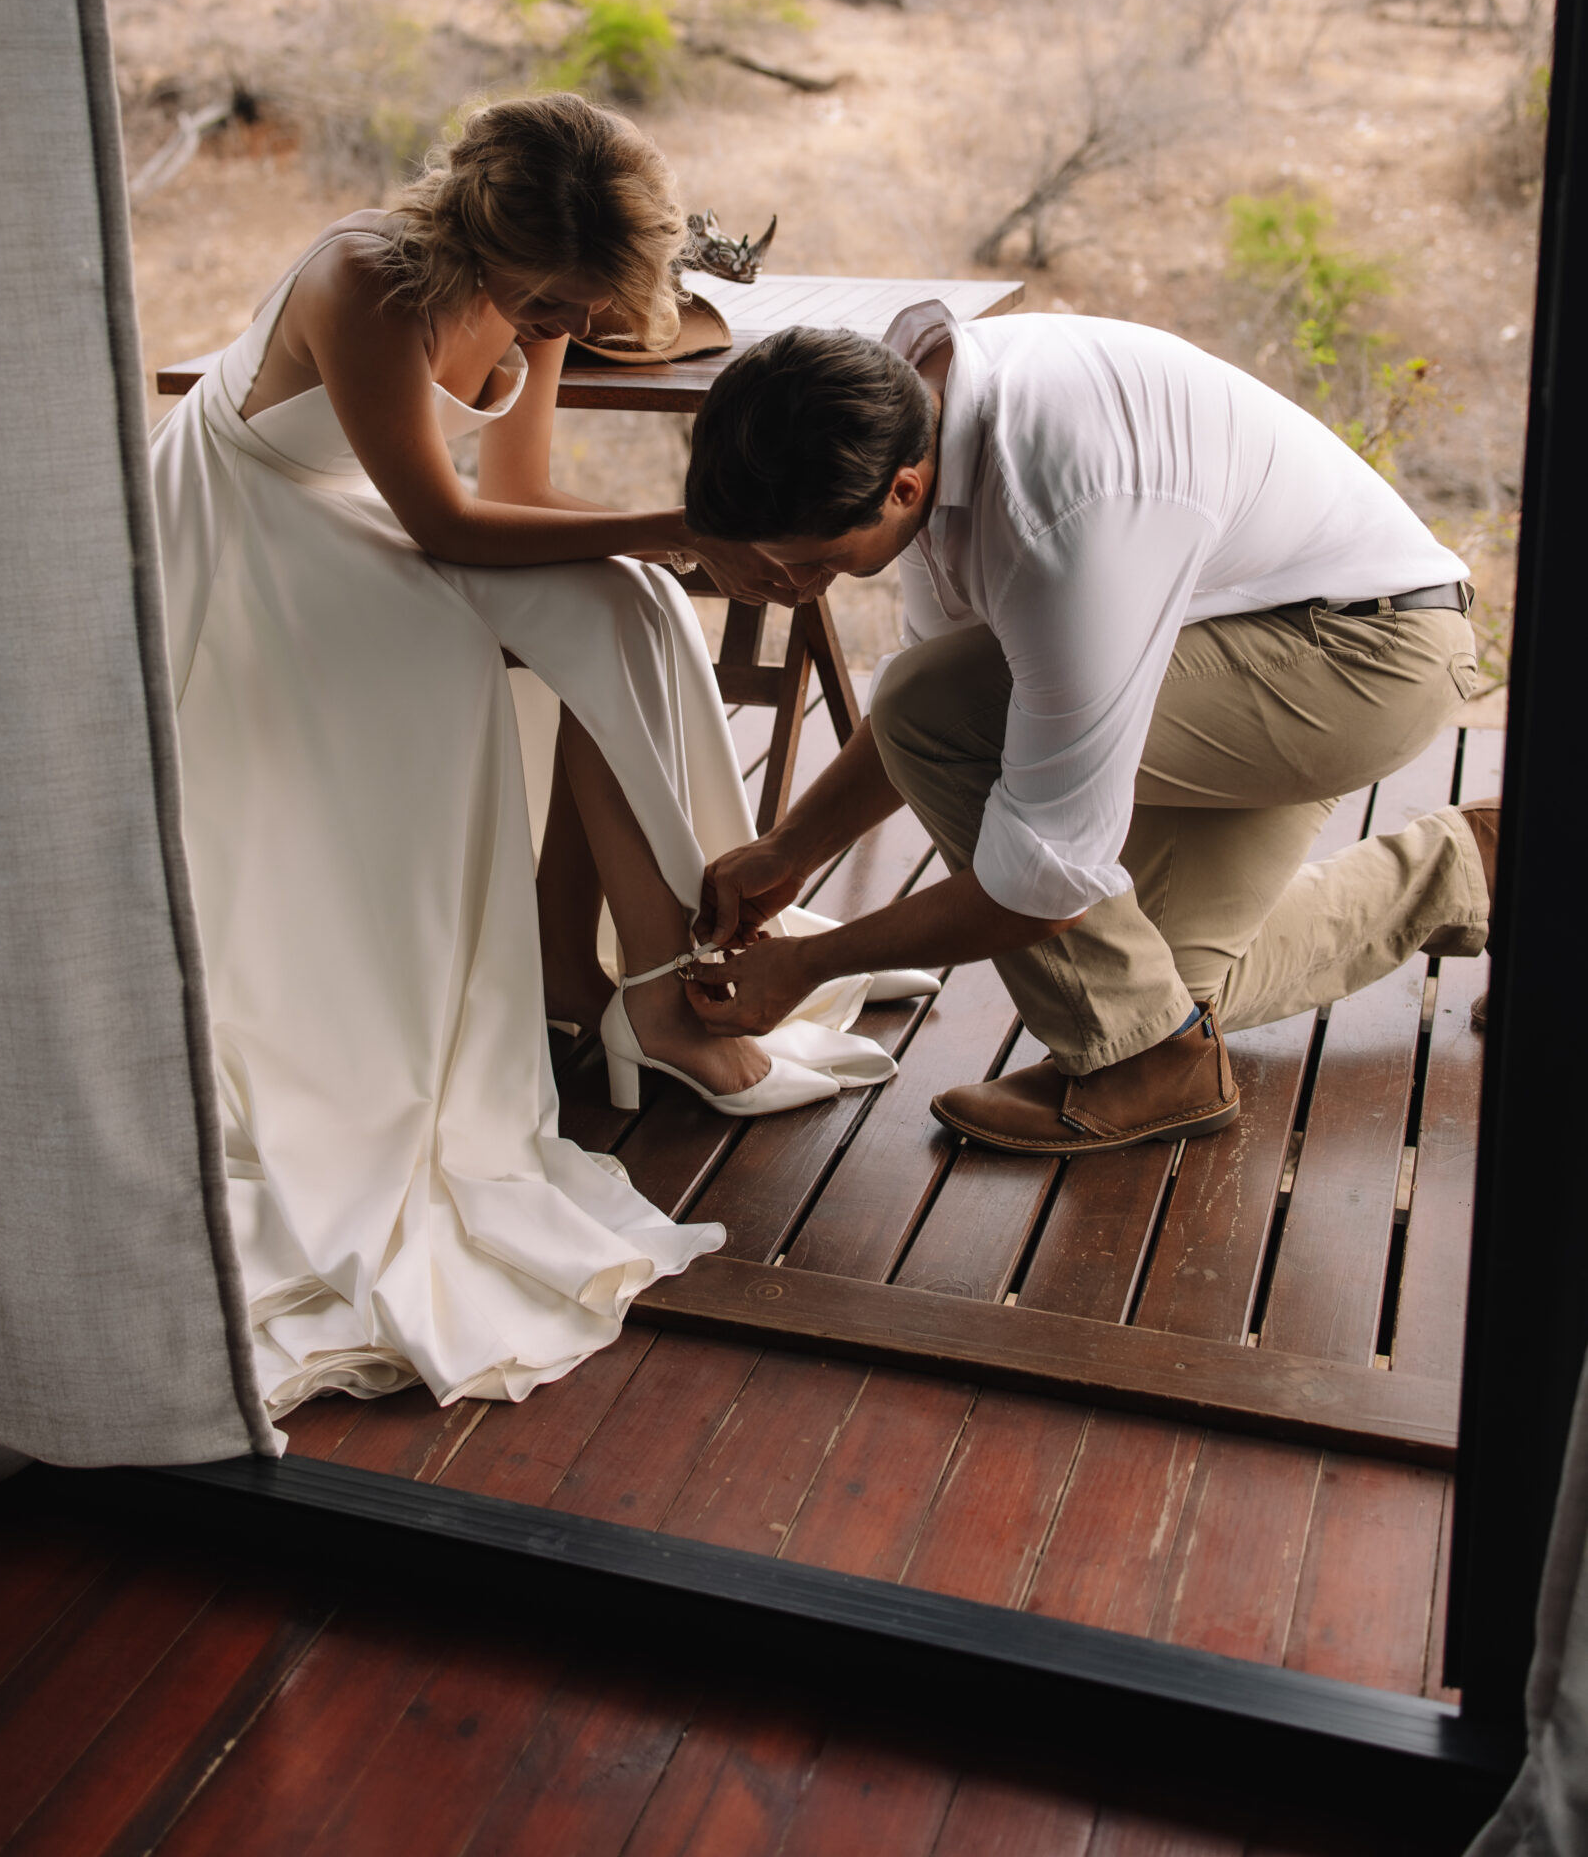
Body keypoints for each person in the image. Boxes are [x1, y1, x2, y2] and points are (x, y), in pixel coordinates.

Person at [151, 93, 898, 1418]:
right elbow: (444, 521)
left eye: (576, 309)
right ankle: (601, 989)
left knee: (634, 603)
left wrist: (669, 551)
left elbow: (523, 484)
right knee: (546, 615)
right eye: (543, 305)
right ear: (481, 238)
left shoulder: (535, 294)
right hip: (256, 534)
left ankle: (661, 975)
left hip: (378, 527)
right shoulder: (366, 280)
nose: (557, 329)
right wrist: (688, 518)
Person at [685, 301, 1498, 1156]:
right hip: (1251, 627)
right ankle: (1472, 864)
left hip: (1359, 659)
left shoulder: (1053, 516)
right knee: (1160, 993)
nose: (800, 587)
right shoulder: (896, 414)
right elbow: (946, 700)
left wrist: (808, 966)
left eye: (814, 561)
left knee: (1124, 1010)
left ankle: (1143, 1067)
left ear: (904, 489)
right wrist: (789, 849)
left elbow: (1043, 882)